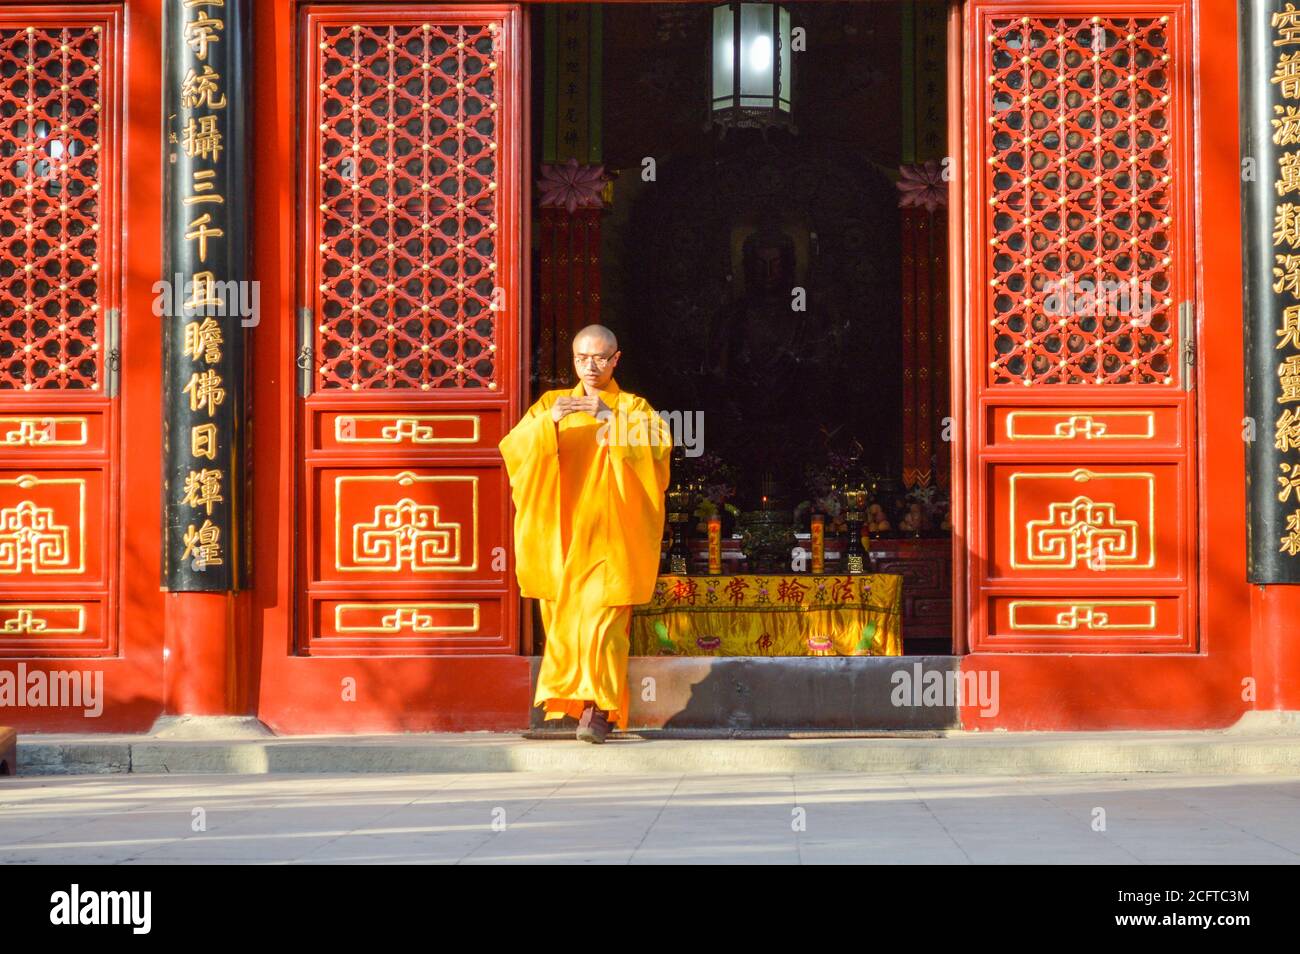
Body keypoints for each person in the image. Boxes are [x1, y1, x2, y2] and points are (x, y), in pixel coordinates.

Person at [499, 325, 672, 743]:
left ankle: (600, 711)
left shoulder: (633, 407)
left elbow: (658, 454)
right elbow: (513, 451)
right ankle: (570, 702)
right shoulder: (551, 405)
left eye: (599, 358)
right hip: (561, 536)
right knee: (562, 622)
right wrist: (549, 427)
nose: (590, 367)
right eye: (581, 358)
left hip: (611, 539)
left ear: (616, 359)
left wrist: (611, 420)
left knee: (604, 625)